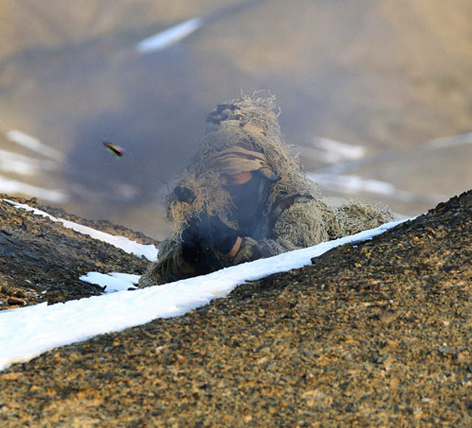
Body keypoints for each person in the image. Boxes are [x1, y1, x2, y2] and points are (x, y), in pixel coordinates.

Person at [138, 94, 392, 287]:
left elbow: (300, 262)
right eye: (223, 172)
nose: (231, 178)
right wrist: (190, 254)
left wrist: (235, 246)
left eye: (239, 169)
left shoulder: (292, 202)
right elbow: (159, 281)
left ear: (264, 166)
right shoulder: (210, 204)